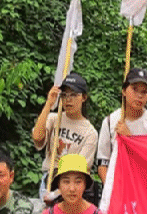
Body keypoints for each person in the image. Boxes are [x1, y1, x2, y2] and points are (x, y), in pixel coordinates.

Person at [32, 73, 98, 202]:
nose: (68, 100)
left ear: (84, 97)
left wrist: (57, 193)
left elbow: (82, 169)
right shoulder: (54, 119)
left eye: (74, 95)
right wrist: (48, 104)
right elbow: (37, 138)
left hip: (72, 185)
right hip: (49, 180)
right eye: (64, 95)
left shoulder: (90, 132)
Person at [97, 67, 147, 183]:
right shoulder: (110, 121)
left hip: (140, 184)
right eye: (135, 89)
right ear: (124, 91)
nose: (139, 95)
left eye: (144, 92)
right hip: (115, 183)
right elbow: (102, 162)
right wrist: (110, 188)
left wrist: (129, 138)